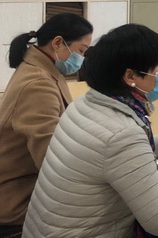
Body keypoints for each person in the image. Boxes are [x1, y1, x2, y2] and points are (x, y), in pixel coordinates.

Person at [22, 23, 158, 238]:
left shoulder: (84, 104)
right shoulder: (122, 135)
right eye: (157, 66)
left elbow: (105, 156)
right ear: (130, 76)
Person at [0, 13, 93, 235]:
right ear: (58, 43)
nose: (81, 58)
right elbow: (52, 162)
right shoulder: (38, 83)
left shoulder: (42, 68)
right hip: (18, 200)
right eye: (81, 51)